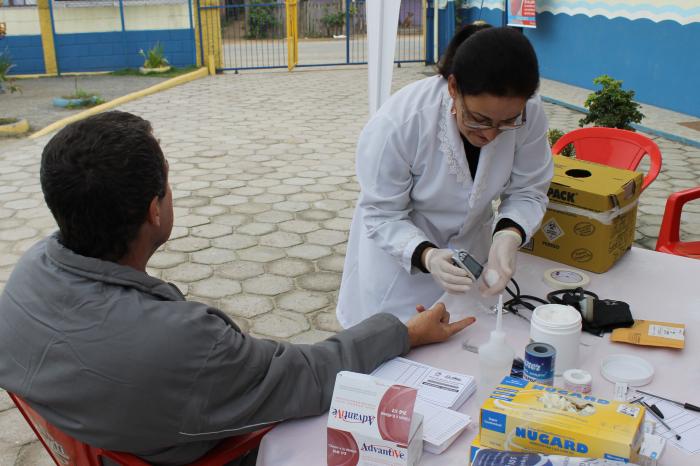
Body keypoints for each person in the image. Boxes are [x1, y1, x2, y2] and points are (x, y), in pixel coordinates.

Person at [0, 112, 475, 465]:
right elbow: (306, 378)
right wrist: (403, 333)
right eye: (167, 187)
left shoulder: (27, 276)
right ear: (154, 211)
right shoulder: (181, 341)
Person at [337, 25, 553, 328]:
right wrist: (426, 255)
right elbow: (382, 212)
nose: (491, 134)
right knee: (393, 351)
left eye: (506, 123)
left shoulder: (528, 112)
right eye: (478, 120)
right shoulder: (401, 122)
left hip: (469, 260)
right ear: (453, 88)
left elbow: (529, 189)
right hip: (399, 270)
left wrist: (508, 235)